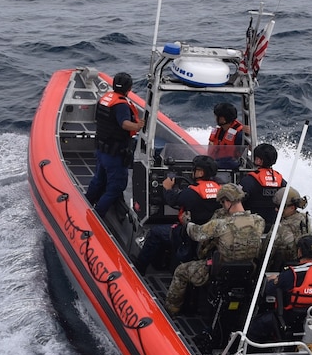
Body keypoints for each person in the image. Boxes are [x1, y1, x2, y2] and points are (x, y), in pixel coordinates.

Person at [166, 184, 265, 315]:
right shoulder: (258, 221)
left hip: (220, 271)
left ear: (228, 201)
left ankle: (171, 310)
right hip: (247, 272)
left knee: (180, 271)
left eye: (223, 202)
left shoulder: (220, 225)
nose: (222, 206)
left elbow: (197, 234)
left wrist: (187, 222)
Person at [136, 155, 222, 271]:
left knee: (155, 232)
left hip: (189, 234)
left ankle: (139, 268)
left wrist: (167, 188)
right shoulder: (220, 190)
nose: (192, 171)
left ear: (200, 173)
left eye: (195, 169)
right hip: (209, 234)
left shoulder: (192, 192)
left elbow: (173, 200)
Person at [85, 72, 143, 216]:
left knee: (99, 180)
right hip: (114, 154)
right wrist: (138, 126)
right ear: (129, 88)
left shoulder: (105, 99)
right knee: (116, 187)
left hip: (101, 148)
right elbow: (124, 124)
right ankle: (97, 214)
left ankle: (86, 203)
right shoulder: (121, 105)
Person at [276, 235, 312, 337]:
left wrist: (275, 280)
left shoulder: (291, 273)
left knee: (258, 323)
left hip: (289, 318)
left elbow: (273, 289)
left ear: (300, 251)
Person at [266, 188, 312, 268]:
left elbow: (266, 253)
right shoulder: (305, 219)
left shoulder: (279, 227)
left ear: (292, 208)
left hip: (285, 269)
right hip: (305, 266)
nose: (276, 209)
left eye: (279, 206)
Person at [239, 143, 285, 220]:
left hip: (252, 224)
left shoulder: (248, 180)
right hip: (274, 225)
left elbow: (236, 201)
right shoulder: (281, 181)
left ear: (258, 160)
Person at [207, 102, 247, 168]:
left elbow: (249, 149)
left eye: (217, 116)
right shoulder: (219, 130)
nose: (215, 117)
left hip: (229, 168)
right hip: (214, 164)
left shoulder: (239, 135)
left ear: (223, 119)